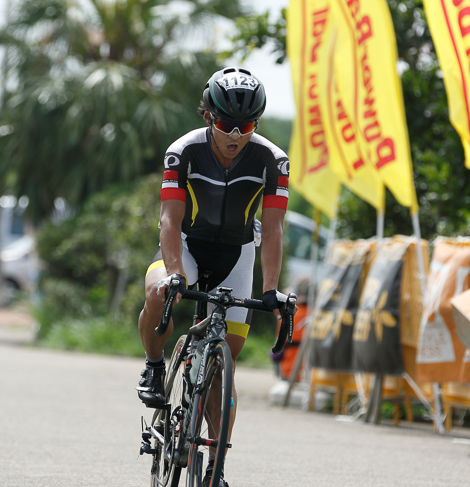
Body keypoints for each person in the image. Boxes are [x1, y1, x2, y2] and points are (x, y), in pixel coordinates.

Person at [136, 67, 290, 487]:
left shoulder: (272, 159)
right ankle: (153, 365)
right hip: (186, 245)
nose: (236, 134)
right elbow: (169, 220)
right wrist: (173, 275)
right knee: (156, 292)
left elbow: (273, 229)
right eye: (227, 124)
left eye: (247, 125)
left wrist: (271, 290)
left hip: (237, 254)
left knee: (226, 365)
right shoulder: (182, 151)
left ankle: (216, 468)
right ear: (208, 116)